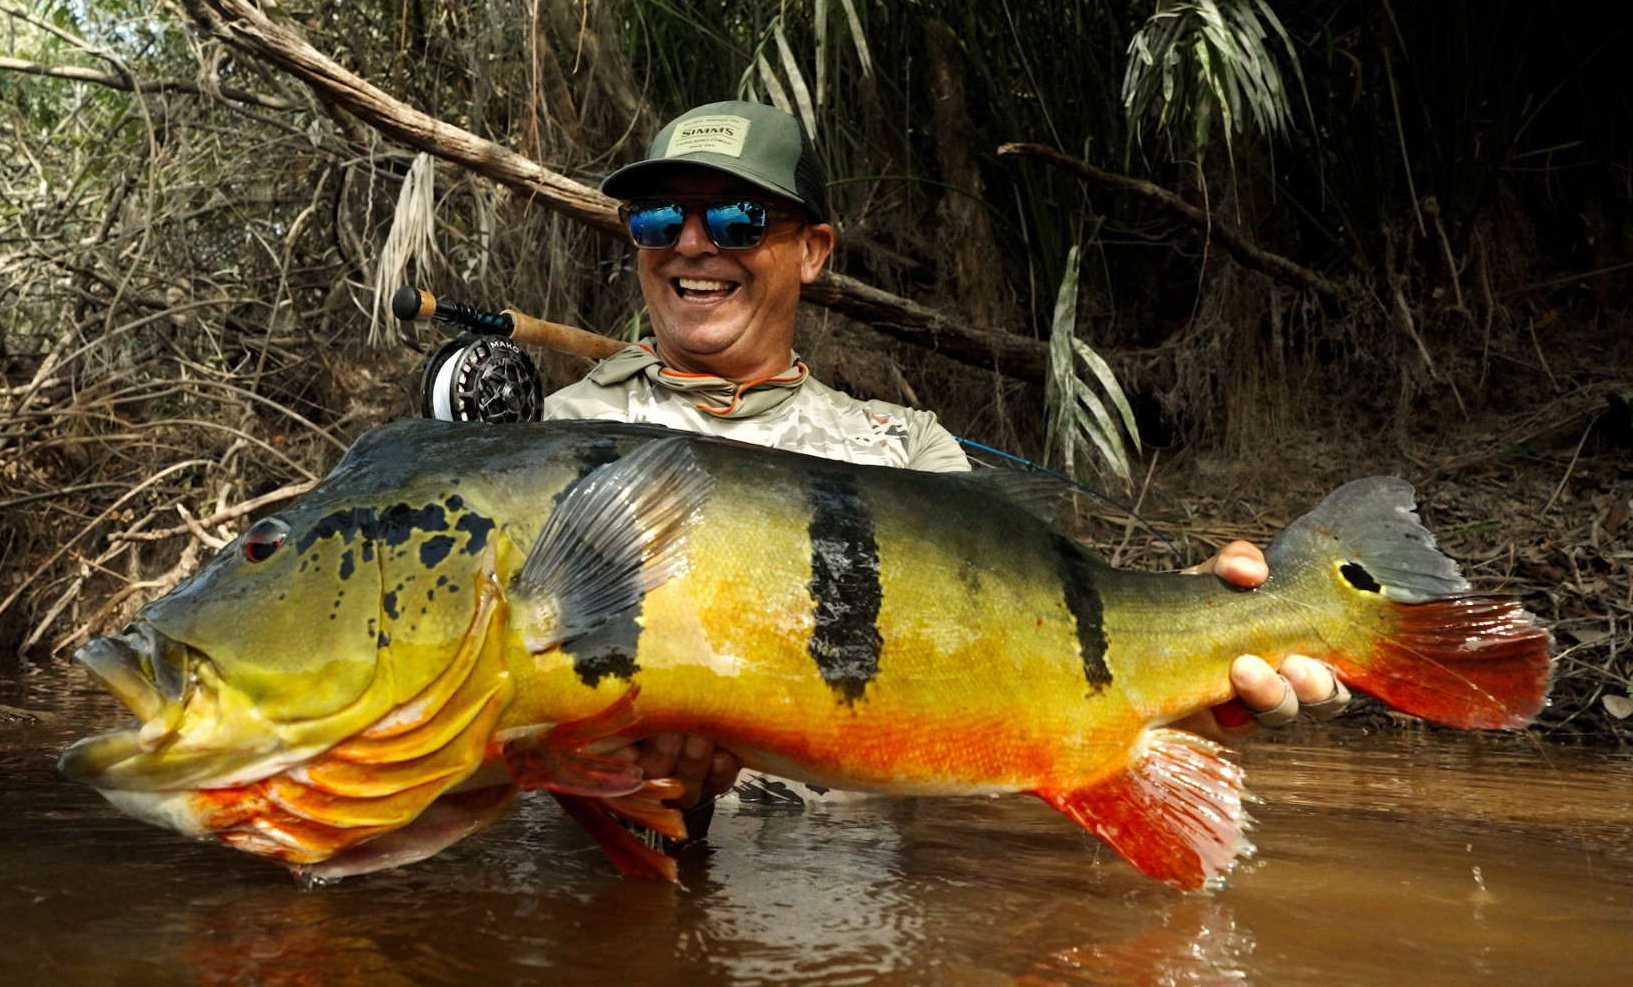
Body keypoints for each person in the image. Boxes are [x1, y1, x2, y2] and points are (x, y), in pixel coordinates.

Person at [545, 100, 1350, 818]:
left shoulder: (905, 448)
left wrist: (1199, 658)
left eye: (737, 220)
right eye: (656, 219)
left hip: (854, 912)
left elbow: (1026, 634)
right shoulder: (555, 439)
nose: (691, 243)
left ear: (814, 251)